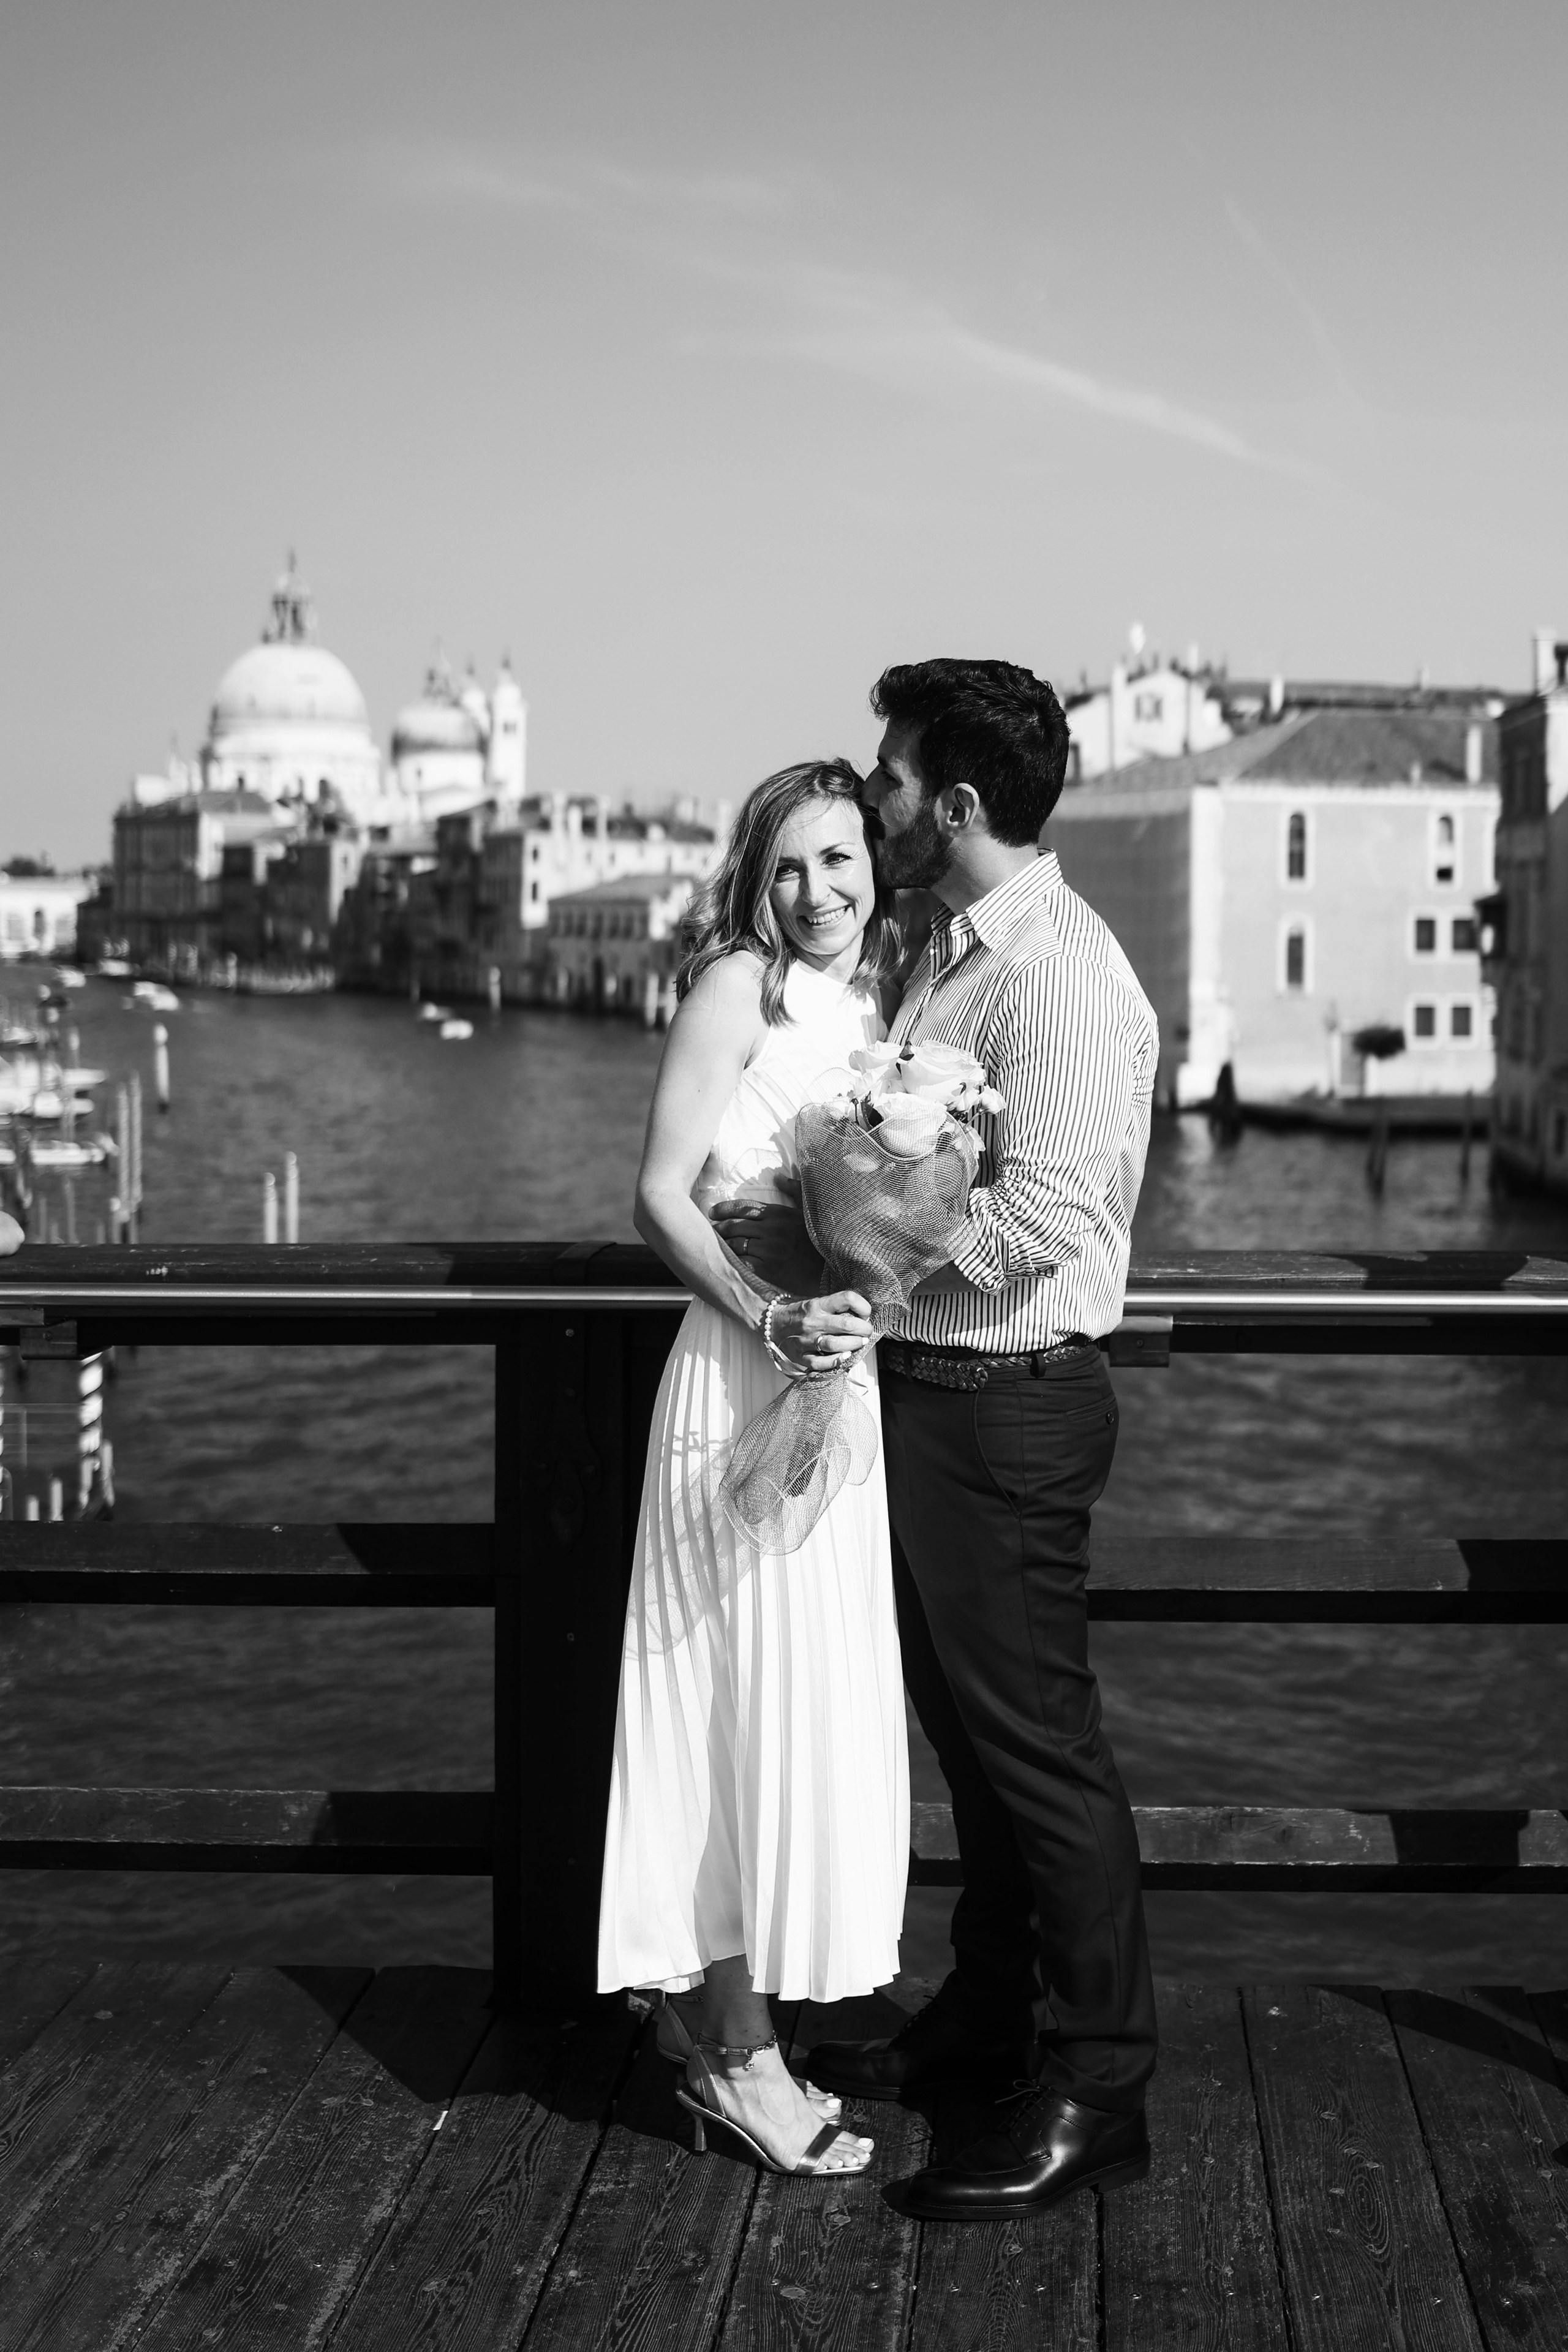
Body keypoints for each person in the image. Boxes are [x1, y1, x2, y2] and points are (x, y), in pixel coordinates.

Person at [718, 660, 1158, 2222]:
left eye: (891, 780)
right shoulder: (953, 954)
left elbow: (1047, 1217)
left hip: (1008, 1406)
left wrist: (857, 1238)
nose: (874, 796)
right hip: (936, 1400)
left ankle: (1100, 2083)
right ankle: (987, 2017)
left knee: (1039, 1749)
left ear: (954, 804)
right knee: (974, 1748)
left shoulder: (1060, 975)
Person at [597, 758, 910, 2179]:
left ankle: (731, 2024)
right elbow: (659, 1195)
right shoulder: (737, 987)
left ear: (874, 865)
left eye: (837, 858)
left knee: (797, 1705)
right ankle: (736, 2057)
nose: (815, 890)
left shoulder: (874, 1006)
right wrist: (773, 1314)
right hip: (738, 1373)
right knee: (724, 1707)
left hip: (832, 1390)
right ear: (752, 878)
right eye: (786, 865)